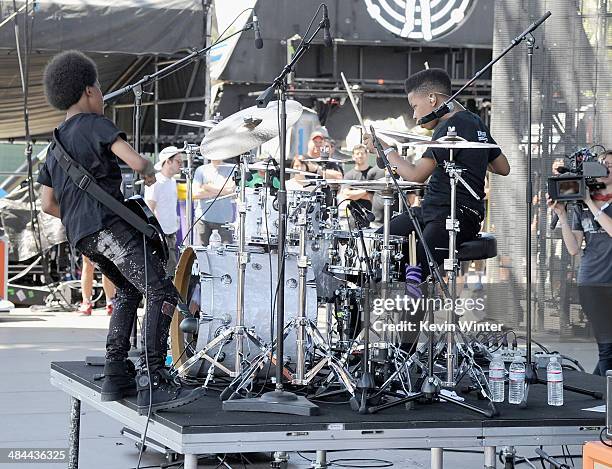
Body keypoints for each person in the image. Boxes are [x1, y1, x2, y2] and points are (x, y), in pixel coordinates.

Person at [38, 50, 203, 412]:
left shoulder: (53, 146)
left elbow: (48, 205)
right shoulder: (96, 125)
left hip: (83, 236)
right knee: (160, 290)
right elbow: (138, 161)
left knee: (129, 289)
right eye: (98, 88)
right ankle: (154, 376)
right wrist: (145, 170)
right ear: (89, 92)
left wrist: (82, 215)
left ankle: (116, 371)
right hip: (109, 228)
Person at [363, 68, 510, 275]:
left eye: (414, 106)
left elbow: (415, 175)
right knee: (384, 240)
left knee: (406, 268)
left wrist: (385, 149)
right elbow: (502, 167)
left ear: (432, 98)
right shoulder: (475, 122)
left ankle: (403, 301)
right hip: (439, 211)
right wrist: (468, 154)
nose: (414, 115)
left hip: (451, 215)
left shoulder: (449, 127)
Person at [548, 151, 612, 375]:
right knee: (606, 347)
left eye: (610, 165)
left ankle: (595, 389)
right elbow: (574, 248)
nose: (606, 169)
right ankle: (606, 401)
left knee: (609, 347)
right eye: (603, 164)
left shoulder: (590, 203)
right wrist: (563, 216)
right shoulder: (580, 205)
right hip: (592, 282)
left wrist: (590, 203)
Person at [144, 146, 182, 275]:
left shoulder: (172, 181)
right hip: (161, 236)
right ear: (168, 161)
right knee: (162, 273)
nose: (181, 165)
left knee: (171, 272)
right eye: (178, 161)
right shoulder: (155, 181)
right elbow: (149, 209)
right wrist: (157, 235)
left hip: (170, 234)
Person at [192, 159, 236, 246]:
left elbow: (231, 190)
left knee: (225, 254)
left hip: (225, 221)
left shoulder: (232, 168)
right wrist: (222, 191)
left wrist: (206, 187)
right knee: (202, 253)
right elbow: (195, 193)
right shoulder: (201, 170)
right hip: (203, 219)